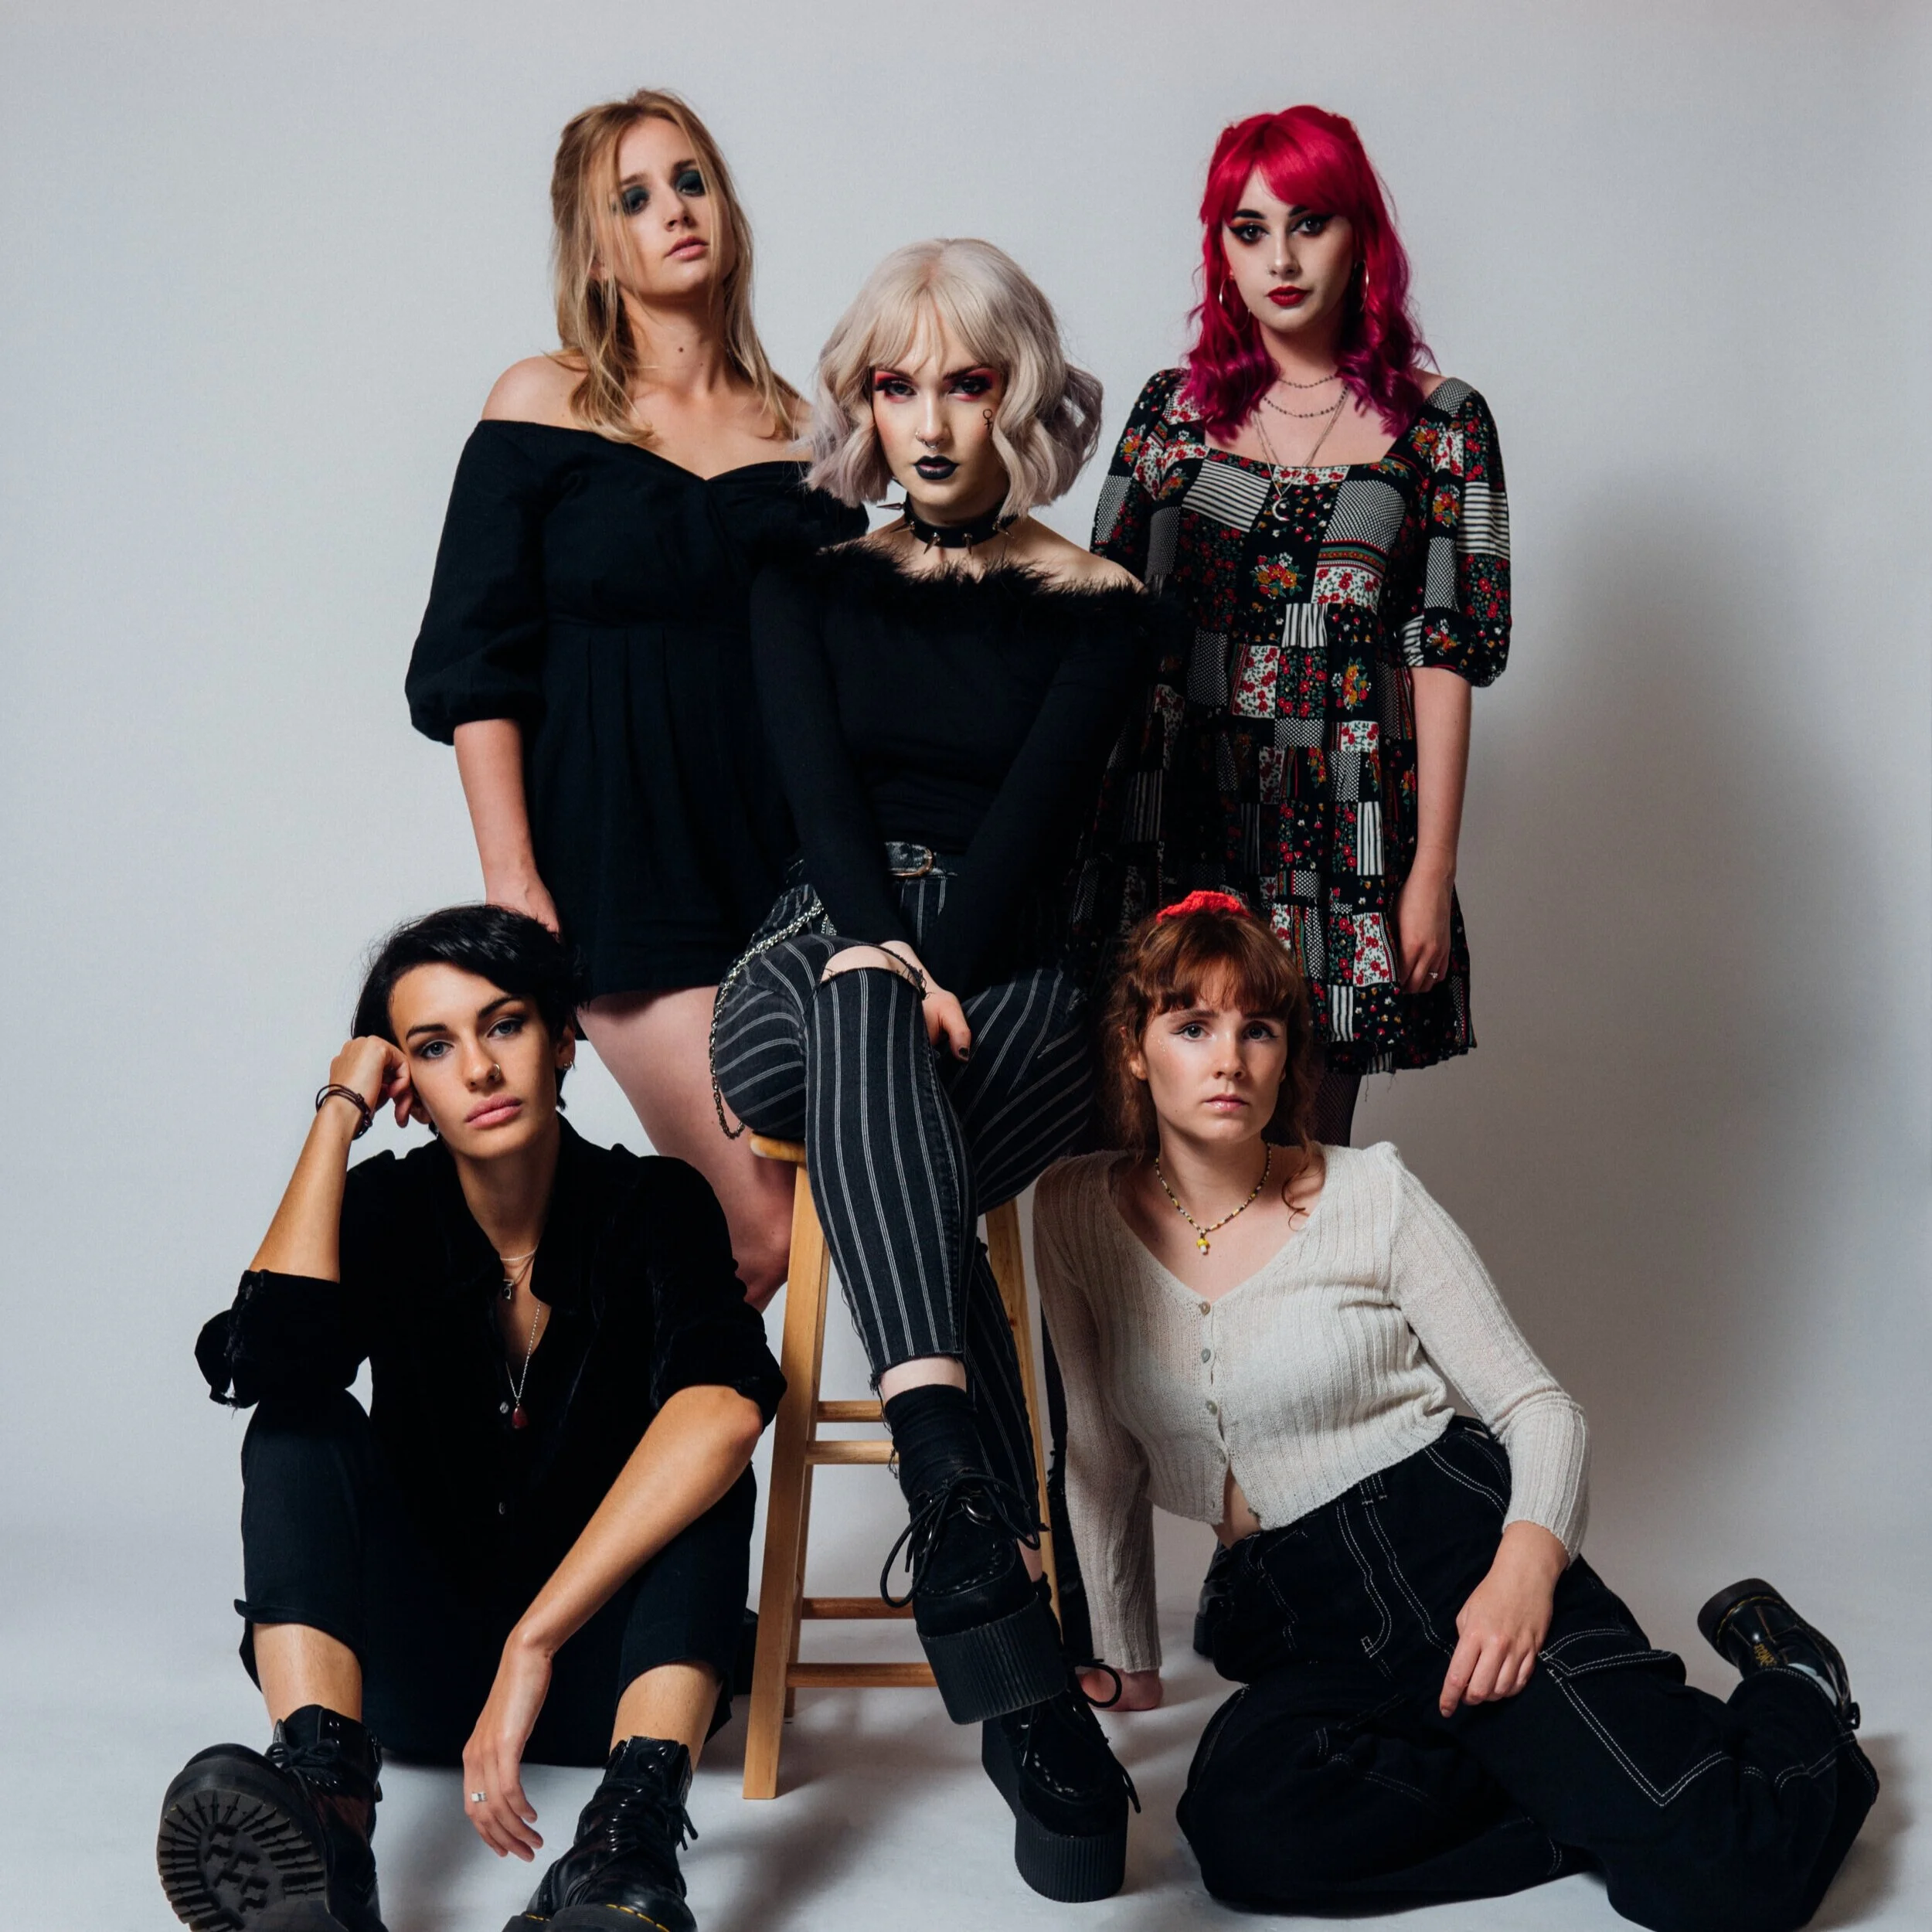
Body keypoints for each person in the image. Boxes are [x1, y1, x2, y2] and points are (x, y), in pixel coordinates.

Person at [1032, 893, 1876, 1930]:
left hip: (1447, 1544)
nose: (1230, 1061)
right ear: (1134, 1049)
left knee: (1725, 1880)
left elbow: (1541, 1408)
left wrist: (1523, 1573)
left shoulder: (1368, 1197)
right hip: (1287, 1610)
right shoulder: (1073, 1211)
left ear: (1288, 1055)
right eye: (1192, 1026)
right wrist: (1126, 1653)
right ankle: (1603, 1797)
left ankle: (1794, 1690)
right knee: (1248, 1836)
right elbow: (1100, 1452)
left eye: (1259, 1029)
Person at [709, 237, 1158, 1900]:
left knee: (884, 1043)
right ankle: (972, 1515)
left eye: (965, 384)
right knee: (853, 1002)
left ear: (1018, 397)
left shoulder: (1101, 610)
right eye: (895, 388)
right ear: (863, 404)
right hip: (804, 953)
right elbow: (823, 811)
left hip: (1011, 974)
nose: (929, 423)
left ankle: (984, 1597)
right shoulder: (805, 584)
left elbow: (1031, 830)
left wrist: (936, 966)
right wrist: (879, 952)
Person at [155, 906, 784, 1932]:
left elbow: (726, 1407)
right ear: (405, 1082)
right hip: (413, 1675)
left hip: (606, 1678)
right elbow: (262, 1360)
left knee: (703, 1449)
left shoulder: (654, 1204)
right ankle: (328, 1808)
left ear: (563, 1038)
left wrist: (533, 1643)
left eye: (505, 1026)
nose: (481, 1069)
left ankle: (623, 1846)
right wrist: (336, 1113)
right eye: (435, 1046)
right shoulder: (386, 1209)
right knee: (299, 1421)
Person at [406, 88, 864, 1307]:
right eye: (637, 197)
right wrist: (513, 881)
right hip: (618, 860)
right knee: (761, 1229)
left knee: (813, 1218)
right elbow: (474, 663)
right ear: (597, 250)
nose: (676, 210)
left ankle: (590, 1402)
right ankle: (574, 1417)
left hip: (787, 869)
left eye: (692, 181)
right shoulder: (539, 403)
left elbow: (853, 676)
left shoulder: (810, 432)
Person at [1082, 104, 1509, 1151]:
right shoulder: (1171, 415)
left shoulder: (1441, 427)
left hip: (1342, 837)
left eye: (1309, 223)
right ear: (1220, 251)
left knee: (1301, 1176)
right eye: (1250, 229)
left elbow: (1446, 654)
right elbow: (1096, 617)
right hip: (1177, 820)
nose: (1279, 258)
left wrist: (1431, 872)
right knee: (1139, 1169)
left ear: (1362, 236)